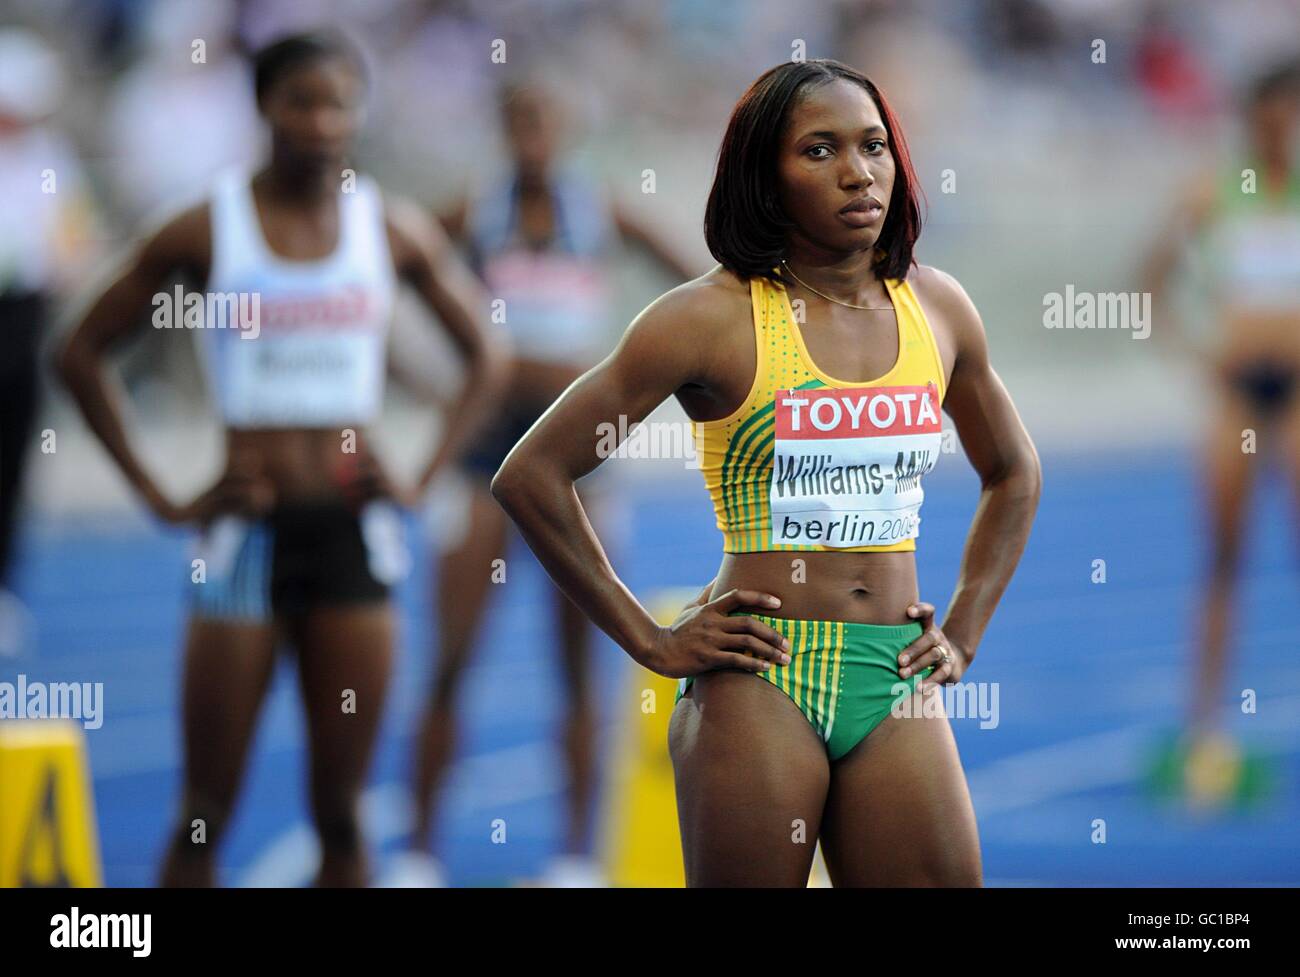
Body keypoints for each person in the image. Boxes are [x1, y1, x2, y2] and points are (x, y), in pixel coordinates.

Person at [491, 59, 1041, 886]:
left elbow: (1013, 472)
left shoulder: (939, 308)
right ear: (763, 176)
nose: (859, 171)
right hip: (762, 679)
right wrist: (650, 638)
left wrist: (962, 632)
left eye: (875, 146)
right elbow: (531, 473)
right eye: (819, 150)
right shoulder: (707, 319)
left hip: (894, 674)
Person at [58, 30, 508, 886]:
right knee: (202, 814)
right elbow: (79, 351)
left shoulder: (387, 225)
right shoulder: (207, 224)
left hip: (353, 534)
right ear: (264, 106)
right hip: (245, 538)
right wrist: (160, 493)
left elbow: (486, 352)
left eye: (339, 102)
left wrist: (420, 473)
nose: (321, 121)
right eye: (301, 101)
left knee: (342, 812)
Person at [393, 79, 695, 888]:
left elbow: (700, 282)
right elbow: (384, 277)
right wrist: (434, 384)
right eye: (519, 120)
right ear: (502, 128)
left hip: (584, 458)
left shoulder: (598, 210)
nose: (532, 135)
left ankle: (573, 859)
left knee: (578, 663)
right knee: (452, 656)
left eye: (546, 120)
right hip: (485, 452)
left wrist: (669, 371)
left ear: (567, 127)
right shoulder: (474, 212)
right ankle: (418, 853)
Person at [1143, 58, 1300, 806]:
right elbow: (1149, 274)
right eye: (1278, 111)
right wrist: (1194, 346)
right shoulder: (1217, 190)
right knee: (1224, 556)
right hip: (1239, 390)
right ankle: (1205, 725)